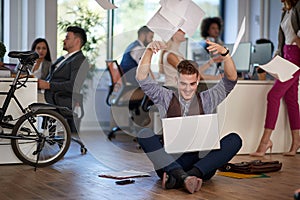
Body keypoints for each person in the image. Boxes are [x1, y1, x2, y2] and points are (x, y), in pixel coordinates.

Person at [136, 39, 242, 194]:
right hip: (171, 161)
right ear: (176, 80)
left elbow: (231, 80)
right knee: (144, 134)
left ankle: (182, 177)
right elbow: (142, 78)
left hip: (200, 162)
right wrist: (149, 51)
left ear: (198, 81)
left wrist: (225, 55)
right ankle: (183, 176)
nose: (187, 89)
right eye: (183, 84)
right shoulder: (165, 97)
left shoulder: (207, 98)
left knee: (235, 139)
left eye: (192, 84)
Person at [250, 0, 300, 157]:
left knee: (273, 95)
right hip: (286, 55)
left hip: (296, 55)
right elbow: (282, 39)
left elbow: (296, 35)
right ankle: (296, 142)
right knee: (291, 99)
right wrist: (275, 59)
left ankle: (265, 142)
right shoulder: (286, 10)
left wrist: (298, 38)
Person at [38, 26, 89, 132]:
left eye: (67, 38)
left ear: (77, 41)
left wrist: (48, 85)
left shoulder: (80, 60)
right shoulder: (63, 58)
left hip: (58, 97)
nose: (64, 40)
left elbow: (73, 86)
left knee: (22, 100)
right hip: (48, 94)